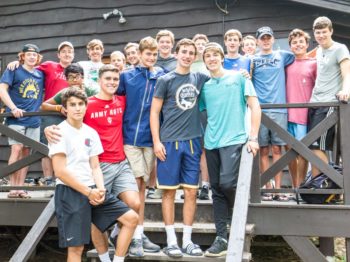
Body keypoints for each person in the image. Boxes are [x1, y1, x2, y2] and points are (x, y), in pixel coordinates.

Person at [49, 87, 138, 262]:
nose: (77, 108)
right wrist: (88, 192)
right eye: (72, 105)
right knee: (76, 248)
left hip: (93, 190)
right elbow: (60, 171)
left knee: (131, 218)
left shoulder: (91, 132)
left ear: (86, 106)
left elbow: (95, 166)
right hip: (70, 192)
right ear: (64, 108)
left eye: (81, 104)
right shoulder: (58, 132)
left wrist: (101, 189)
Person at [199, 42, 261, 257]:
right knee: (216, 187)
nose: (212, 58)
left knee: (227, 182)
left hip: (235, 139)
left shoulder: (239, 78)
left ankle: (236, 217)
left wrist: (253, 137)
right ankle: (221, 237)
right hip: (211, 141)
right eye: (208, 56)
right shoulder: (204, 87)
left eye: (216, 55)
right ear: (204, 60)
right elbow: (199, 110)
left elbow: (255, 106)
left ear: (222, 57)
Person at [150, 38, 209, 258]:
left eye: (191, 53)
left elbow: (221, 77)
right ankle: (171, 240)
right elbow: (154, 112)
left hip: (193, 141)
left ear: (195, 57)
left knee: (192, 192)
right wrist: (157, 141)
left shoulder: (200, 77)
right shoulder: (165, 79)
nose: (186, 55)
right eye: (183, 51)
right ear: (176, 54)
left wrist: (242, 75)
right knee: (169, 192)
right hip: (169, 142)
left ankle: (187, 239)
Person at [117, 36, 163, 257]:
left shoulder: (161, 76)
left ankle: (137, 232)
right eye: (148, 54)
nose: (151, 58)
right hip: (129, 138)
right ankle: (132, 233)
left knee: (143, 187)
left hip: (151, 138)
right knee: (135, 186)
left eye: (154, 54)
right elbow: (111, 98)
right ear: (139, 53)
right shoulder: (126, 76)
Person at [7, 41, 75, 186]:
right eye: (63, 51)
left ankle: (64, 180)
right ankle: (47, 179)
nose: (67, 54)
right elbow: (28, 67)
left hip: (69, 114)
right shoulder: (49, 65)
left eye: (69, 51)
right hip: (48, 112)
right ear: (58, 55)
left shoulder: (75, 70)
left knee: (65, 147)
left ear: (73, 55)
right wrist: (16, 62)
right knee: (44, 147)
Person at [251, 26, 294, 201]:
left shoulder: (283, 55)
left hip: (279, 109)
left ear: (273, 39)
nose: (266, 40)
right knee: (262, 150)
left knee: (277, 149)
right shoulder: (251, 59)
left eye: (268, 37)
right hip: (259, 110)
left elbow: (303, 55)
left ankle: (278, 189)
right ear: (257, 41)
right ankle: (267, 187)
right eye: (262, 38)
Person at [0, 44, 44, 199]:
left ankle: (20, 187)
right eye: (29, 54)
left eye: (35, 55)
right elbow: (2, 89)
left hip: (33, 119)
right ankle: (12, 187)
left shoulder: (40, 74)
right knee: (16, 149)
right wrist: (12, 108)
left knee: (27, 154)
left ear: (38, 58)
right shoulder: (13, 69)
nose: (32, 57)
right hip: (16, 118)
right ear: (23, 56)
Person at [309, 16, 350, 177]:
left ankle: (332, 182)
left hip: (329, 104)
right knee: (311, 146)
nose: (321, 35)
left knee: (316, 146)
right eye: (318, 33)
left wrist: (346, 91)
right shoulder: (318, 50)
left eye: (324, 32)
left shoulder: (340, 49)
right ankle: (316, 186)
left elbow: (347, 74)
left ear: (331, 31)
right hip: (313, 103)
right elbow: (304, 57)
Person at [285, 29, 316, 187]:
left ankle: (301, 187)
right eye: (294, 43)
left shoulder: (314, 63)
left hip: (304, 116)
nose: (298, 45)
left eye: (300, 42)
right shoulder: (287, 64)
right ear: (290, 46)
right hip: (286, 115)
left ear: (307, 44)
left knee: (303, 153)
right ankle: (294, 186)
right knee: (289, 153)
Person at [191, 33, 210, 200]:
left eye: (203, 43)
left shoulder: (208, 64)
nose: (200, 45)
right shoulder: (189, 63)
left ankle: (205, 184)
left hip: (204, 110)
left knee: (203, 149)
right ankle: (192, 186)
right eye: (197, 43)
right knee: (193, 150)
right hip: (189, 112)